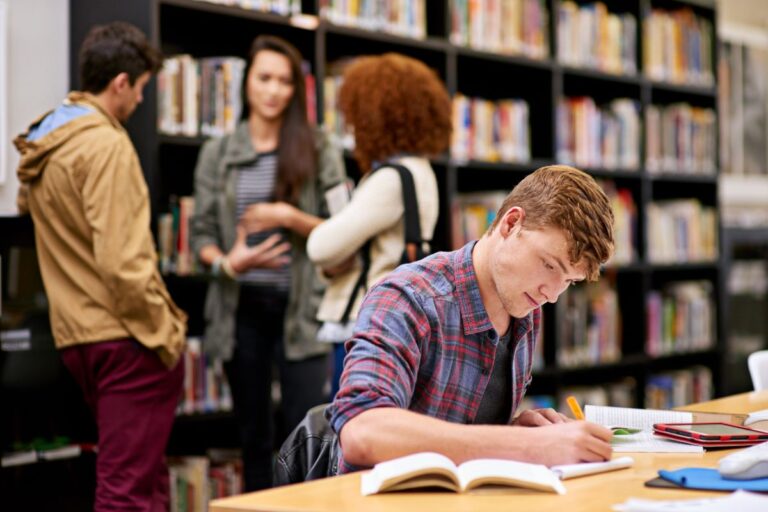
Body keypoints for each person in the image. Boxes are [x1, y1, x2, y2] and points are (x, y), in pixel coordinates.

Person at [326, 165, 617, 474]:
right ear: (511, 224)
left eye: (569, 281)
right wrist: (526, 446)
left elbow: (467, 433)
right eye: (548, 265)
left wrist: (513, 431)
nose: (553, 294)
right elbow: (362, 432)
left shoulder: (526, 307)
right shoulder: (406, 298)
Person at [14, 22, 186, 510]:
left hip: (77, 336)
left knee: (142, 482)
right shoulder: (106, 145)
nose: (140, 101)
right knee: (127, 493)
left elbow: (30, 211)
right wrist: (166, 333)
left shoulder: (49, 144)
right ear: (120, 83)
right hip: (126, 338)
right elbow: (123, 262)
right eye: (141, 89)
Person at [190, 35, 346, 491]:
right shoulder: (218, 153)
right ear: (246, 82)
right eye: (264, 78)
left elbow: (345, 228)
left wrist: (288, 216)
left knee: (306, 440)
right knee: (253, 440)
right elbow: (200, 236)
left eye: (284, 81)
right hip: (241, 311)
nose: (274, 90)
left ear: (297, 89)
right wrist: (228, 262)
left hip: (303, 312)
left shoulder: (319, 147)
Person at [306, 53, 452, 397]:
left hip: (368, 319)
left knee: (352, 415)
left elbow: (320, 247)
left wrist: (289, 218)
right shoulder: (422, 171)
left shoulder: (391, 178)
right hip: (399, 319)